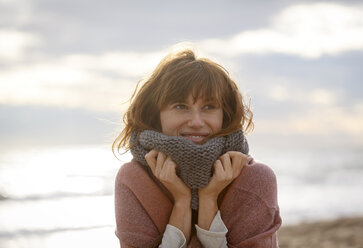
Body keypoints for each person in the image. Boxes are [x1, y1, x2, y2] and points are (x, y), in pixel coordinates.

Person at [113, 48, 282, 248]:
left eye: (209, 107)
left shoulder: (255, 179)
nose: (196, 121)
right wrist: (182, 202)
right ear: (155, 114)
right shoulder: (135, 179)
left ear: (224, 114)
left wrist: (208, 200)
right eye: (180, 106)